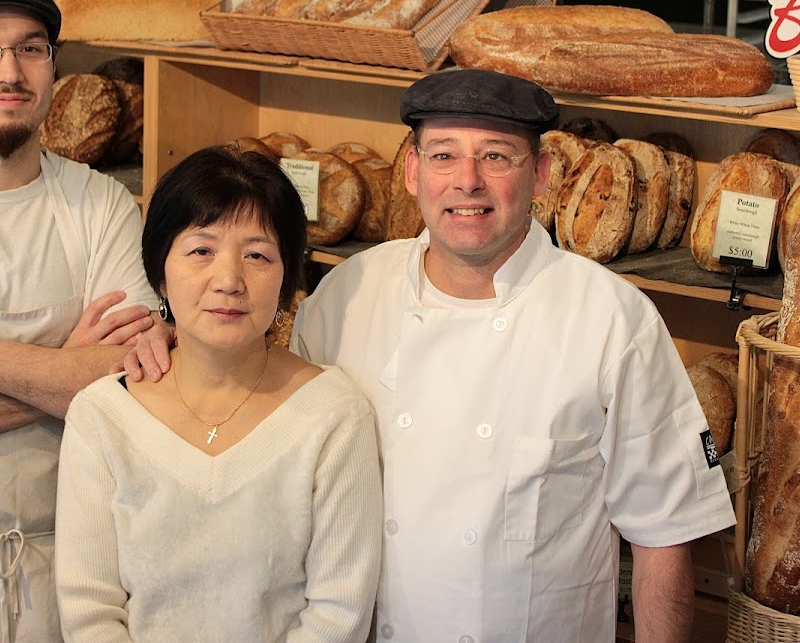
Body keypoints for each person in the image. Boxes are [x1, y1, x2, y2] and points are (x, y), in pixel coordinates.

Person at [289, 69, 737, 643]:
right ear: (412, 172)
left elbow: (664, 534)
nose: (466, 182)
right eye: (444, 155)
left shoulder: (611, 318)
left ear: (542, 175)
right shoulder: (347, 295)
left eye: (496, 157)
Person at [55, 145, 383, 642]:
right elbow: (89, 609)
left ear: (289, 276)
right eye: (201, 251)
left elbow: (338, 613)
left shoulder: (334, 415)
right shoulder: (102, 416)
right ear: (160, 272)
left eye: (257, 255)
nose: (229, 280)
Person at [0, 0, 158, 643]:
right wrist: (62, 370)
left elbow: (127, 378)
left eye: (30, 49)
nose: (10, 71)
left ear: (53, 66)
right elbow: (85, 380)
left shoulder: (99, 203)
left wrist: (92, 371)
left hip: (66, 557)